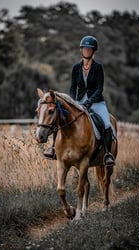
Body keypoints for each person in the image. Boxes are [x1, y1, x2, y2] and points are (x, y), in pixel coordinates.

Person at [44, 35, 115, 166]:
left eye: (89, 49)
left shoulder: (98, 67)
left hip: (97, 102)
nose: (87, 51)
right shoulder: (76, 68)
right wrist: (72, 101)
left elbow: (99, 89)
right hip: (79, 102)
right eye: (85, 49)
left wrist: (90, 102)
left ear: (93, 51)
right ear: (81, 50)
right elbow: (72, 87)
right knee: (61, 118)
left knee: (106, 124)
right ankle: (53, 148)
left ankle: (107, 154)